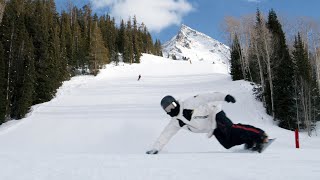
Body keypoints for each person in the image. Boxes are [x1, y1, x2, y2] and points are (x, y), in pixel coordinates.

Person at [146, 92, 269, 154]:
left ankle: (260, 135)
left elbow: (207, 97)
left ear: (175, 102)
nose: (171, 109)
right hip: (211, 127)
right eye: (168, 109)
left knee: (230, 129)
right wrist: (156, 148)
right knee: (227, 143)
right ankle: (250, 142)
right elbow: (166, 134)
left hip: (214, 113)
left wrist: (224, 96)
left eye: (172, 105)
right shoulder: (176, 122)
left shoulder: (189, 103)